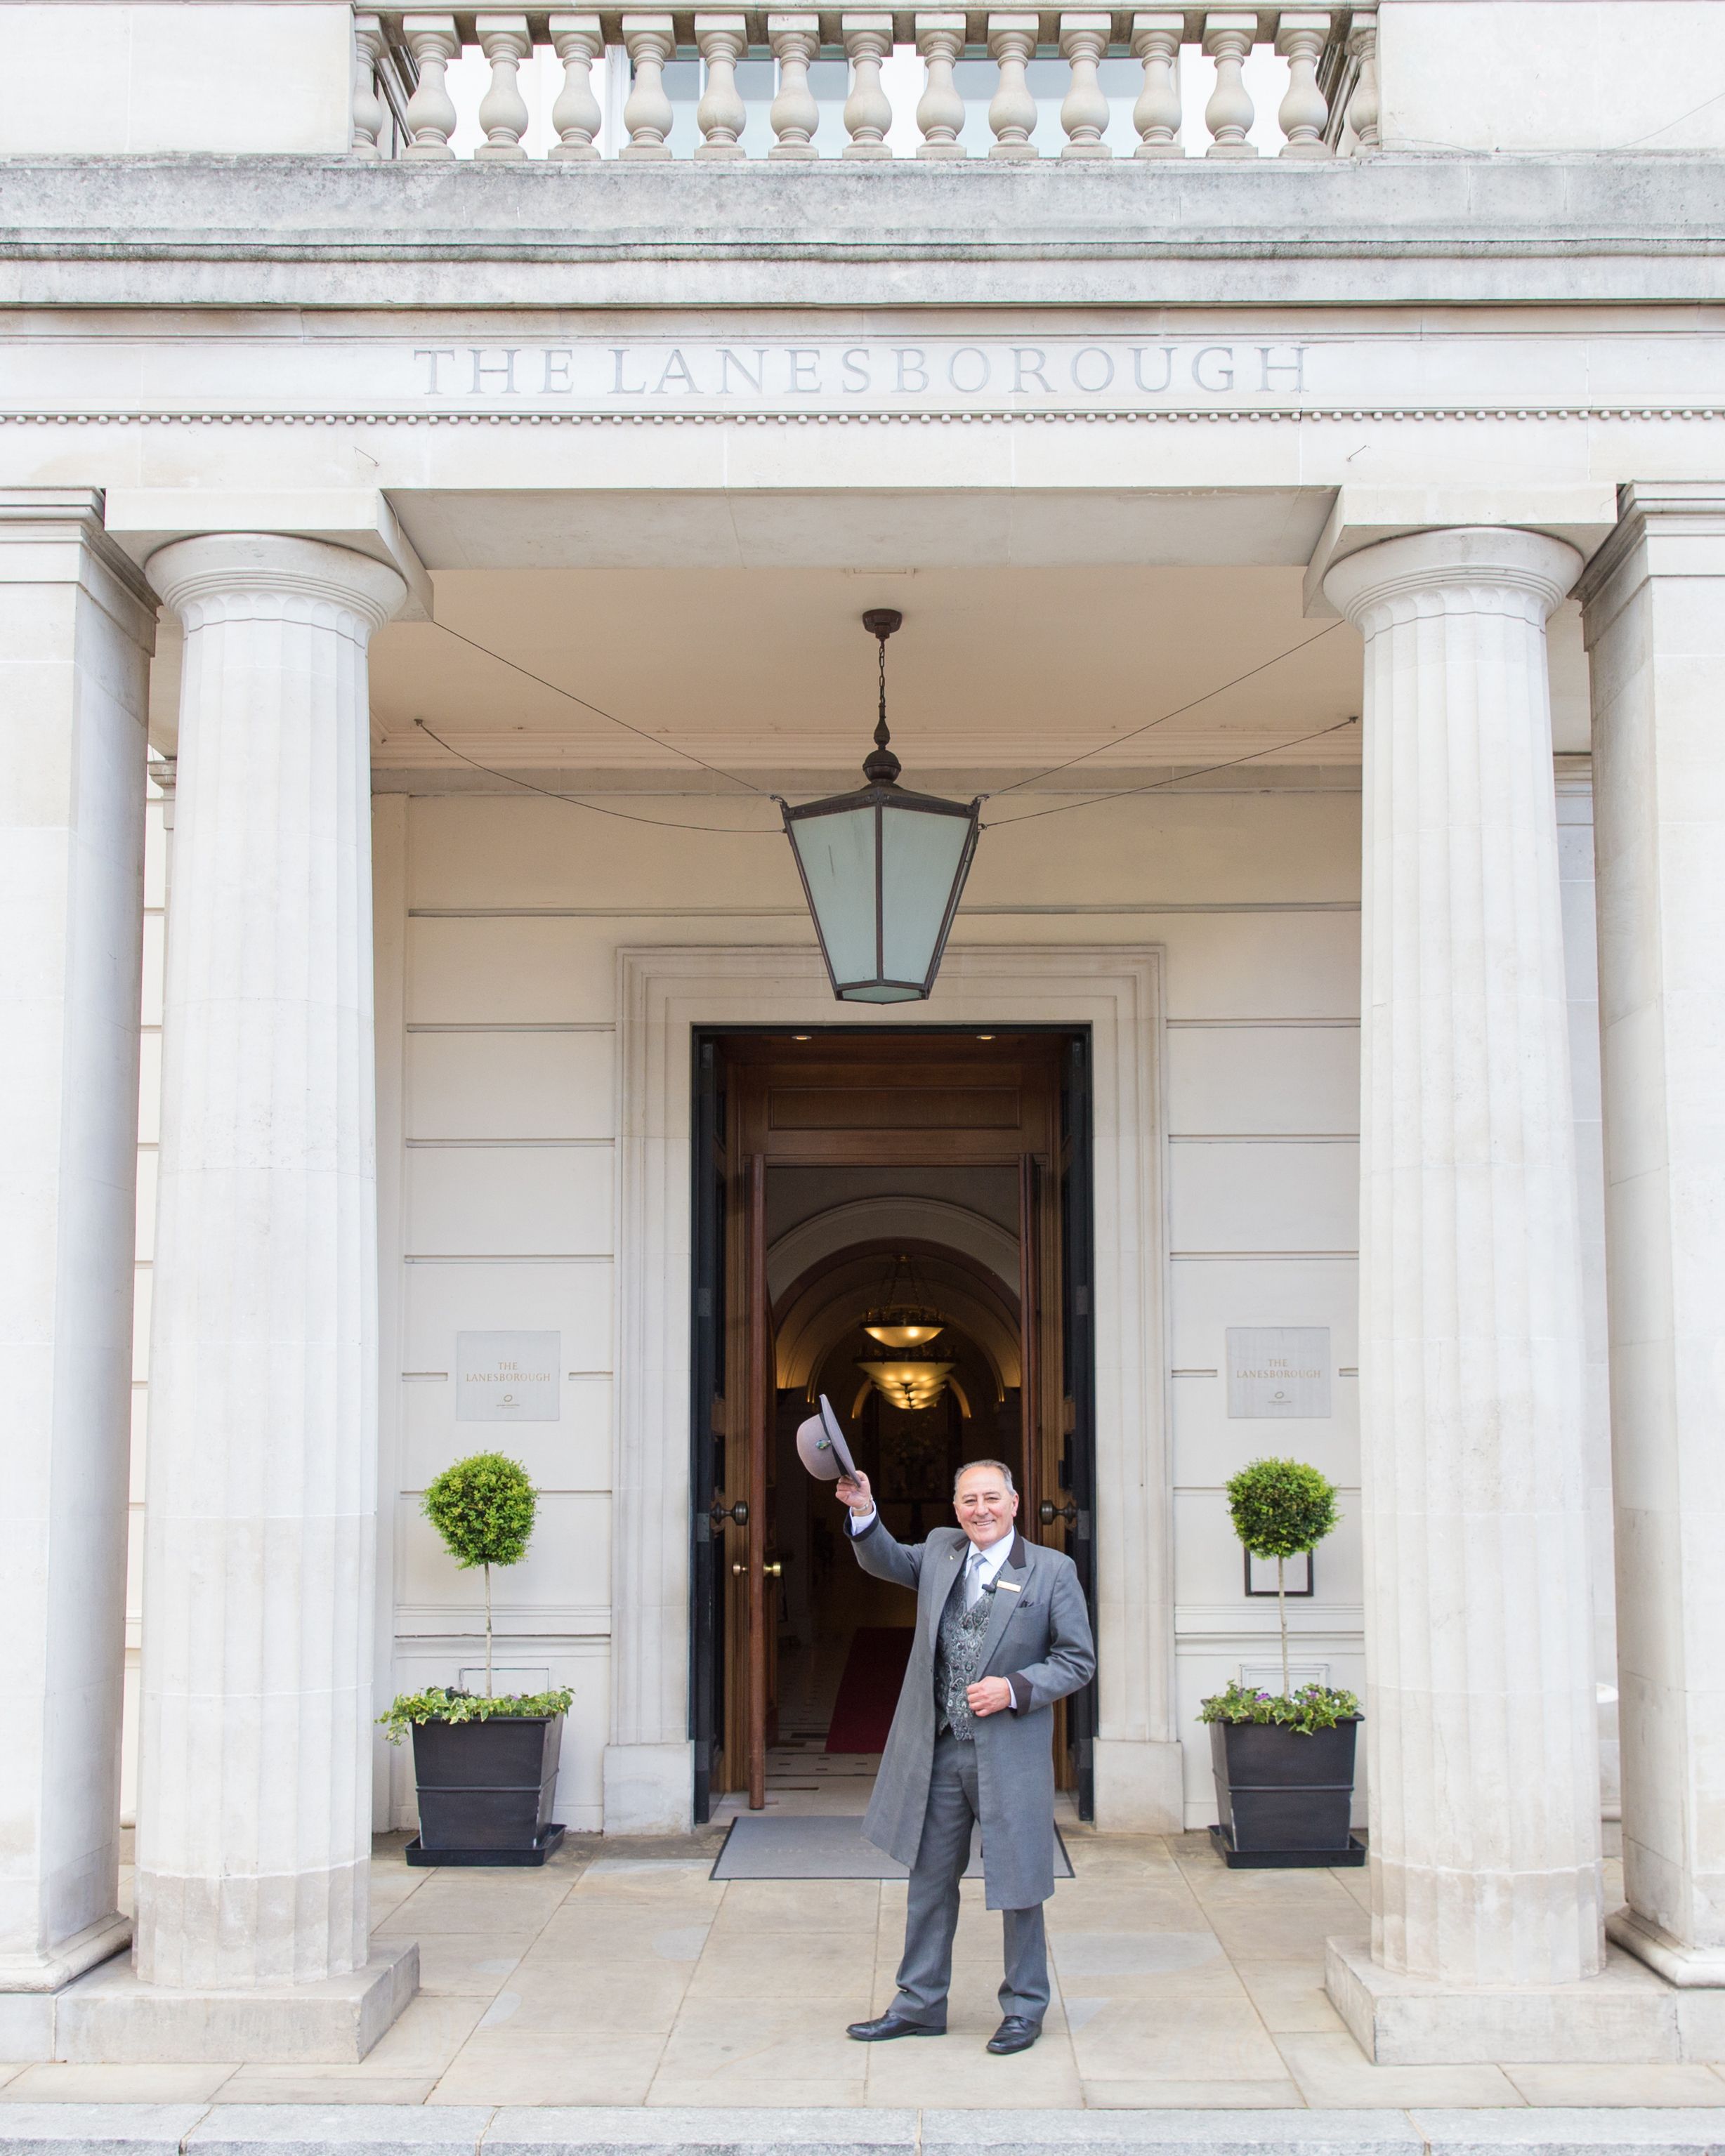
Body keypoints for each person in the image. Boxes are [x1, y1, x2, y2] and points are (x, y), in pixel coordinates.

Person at [834, 1457, 1096, 2054]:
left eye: (991, 1499)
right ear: (956, 1508)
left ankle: (1026, 2008)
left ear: (1015, 1503)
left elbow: (1078, 1660)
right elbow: (886, 1559)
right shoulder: (941, 1552)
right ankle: (919, 2003)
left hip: (1011, 1753)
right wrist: (863, 1510)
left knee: (1020, 1880)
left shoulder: (1052, 1572)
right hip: (943, 1752)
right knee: (928, 1879)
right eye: (969, 1500)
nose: (980, 1510)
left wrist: (1014, 1689)